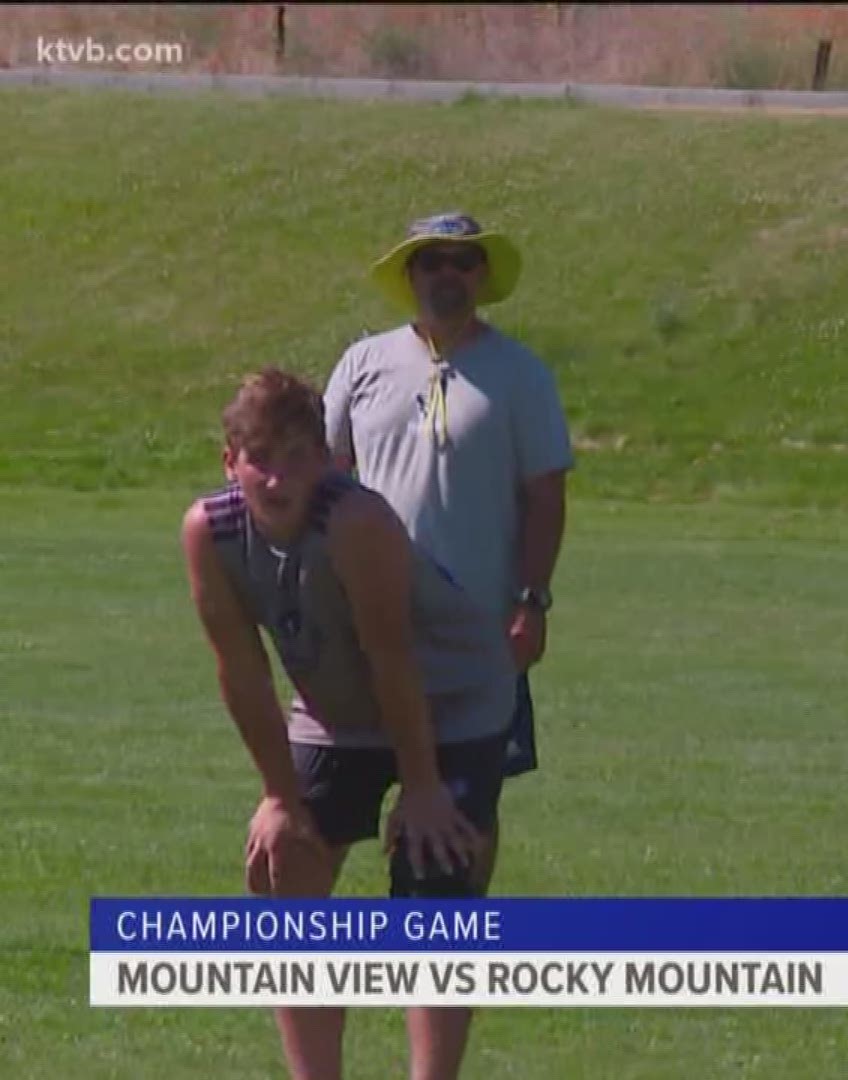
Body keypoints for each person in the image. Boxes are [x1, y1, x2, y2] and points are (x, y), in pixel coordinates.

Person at [182, 368, 518, 1080]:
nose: (278, 476)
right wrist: (279, 796)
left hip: (453, 696)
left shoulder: (355, 522)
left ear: (330, 459)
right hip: (336, 712)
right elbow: (241, 673)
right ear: (229, 461)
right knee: (284, 869)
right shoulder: (210, 534)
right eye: (261, 456)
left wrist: (422, 788)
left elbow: (393, 659)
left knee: (434, 879)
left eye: (299, 454)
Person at [323, 211, 573, 894]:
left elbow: (545, 497)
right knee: (324, 811)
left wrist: (533, 601)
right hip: (370, 628)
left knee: (469, 811)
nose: (447, 273)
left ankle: (457, 940)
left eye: (462, 261)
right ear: (410, 275)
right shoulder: (362, 364)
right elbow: (326, 483)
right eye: (431, 260)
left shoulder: (520, 375)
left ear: (482, 275)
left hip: (479, 631)